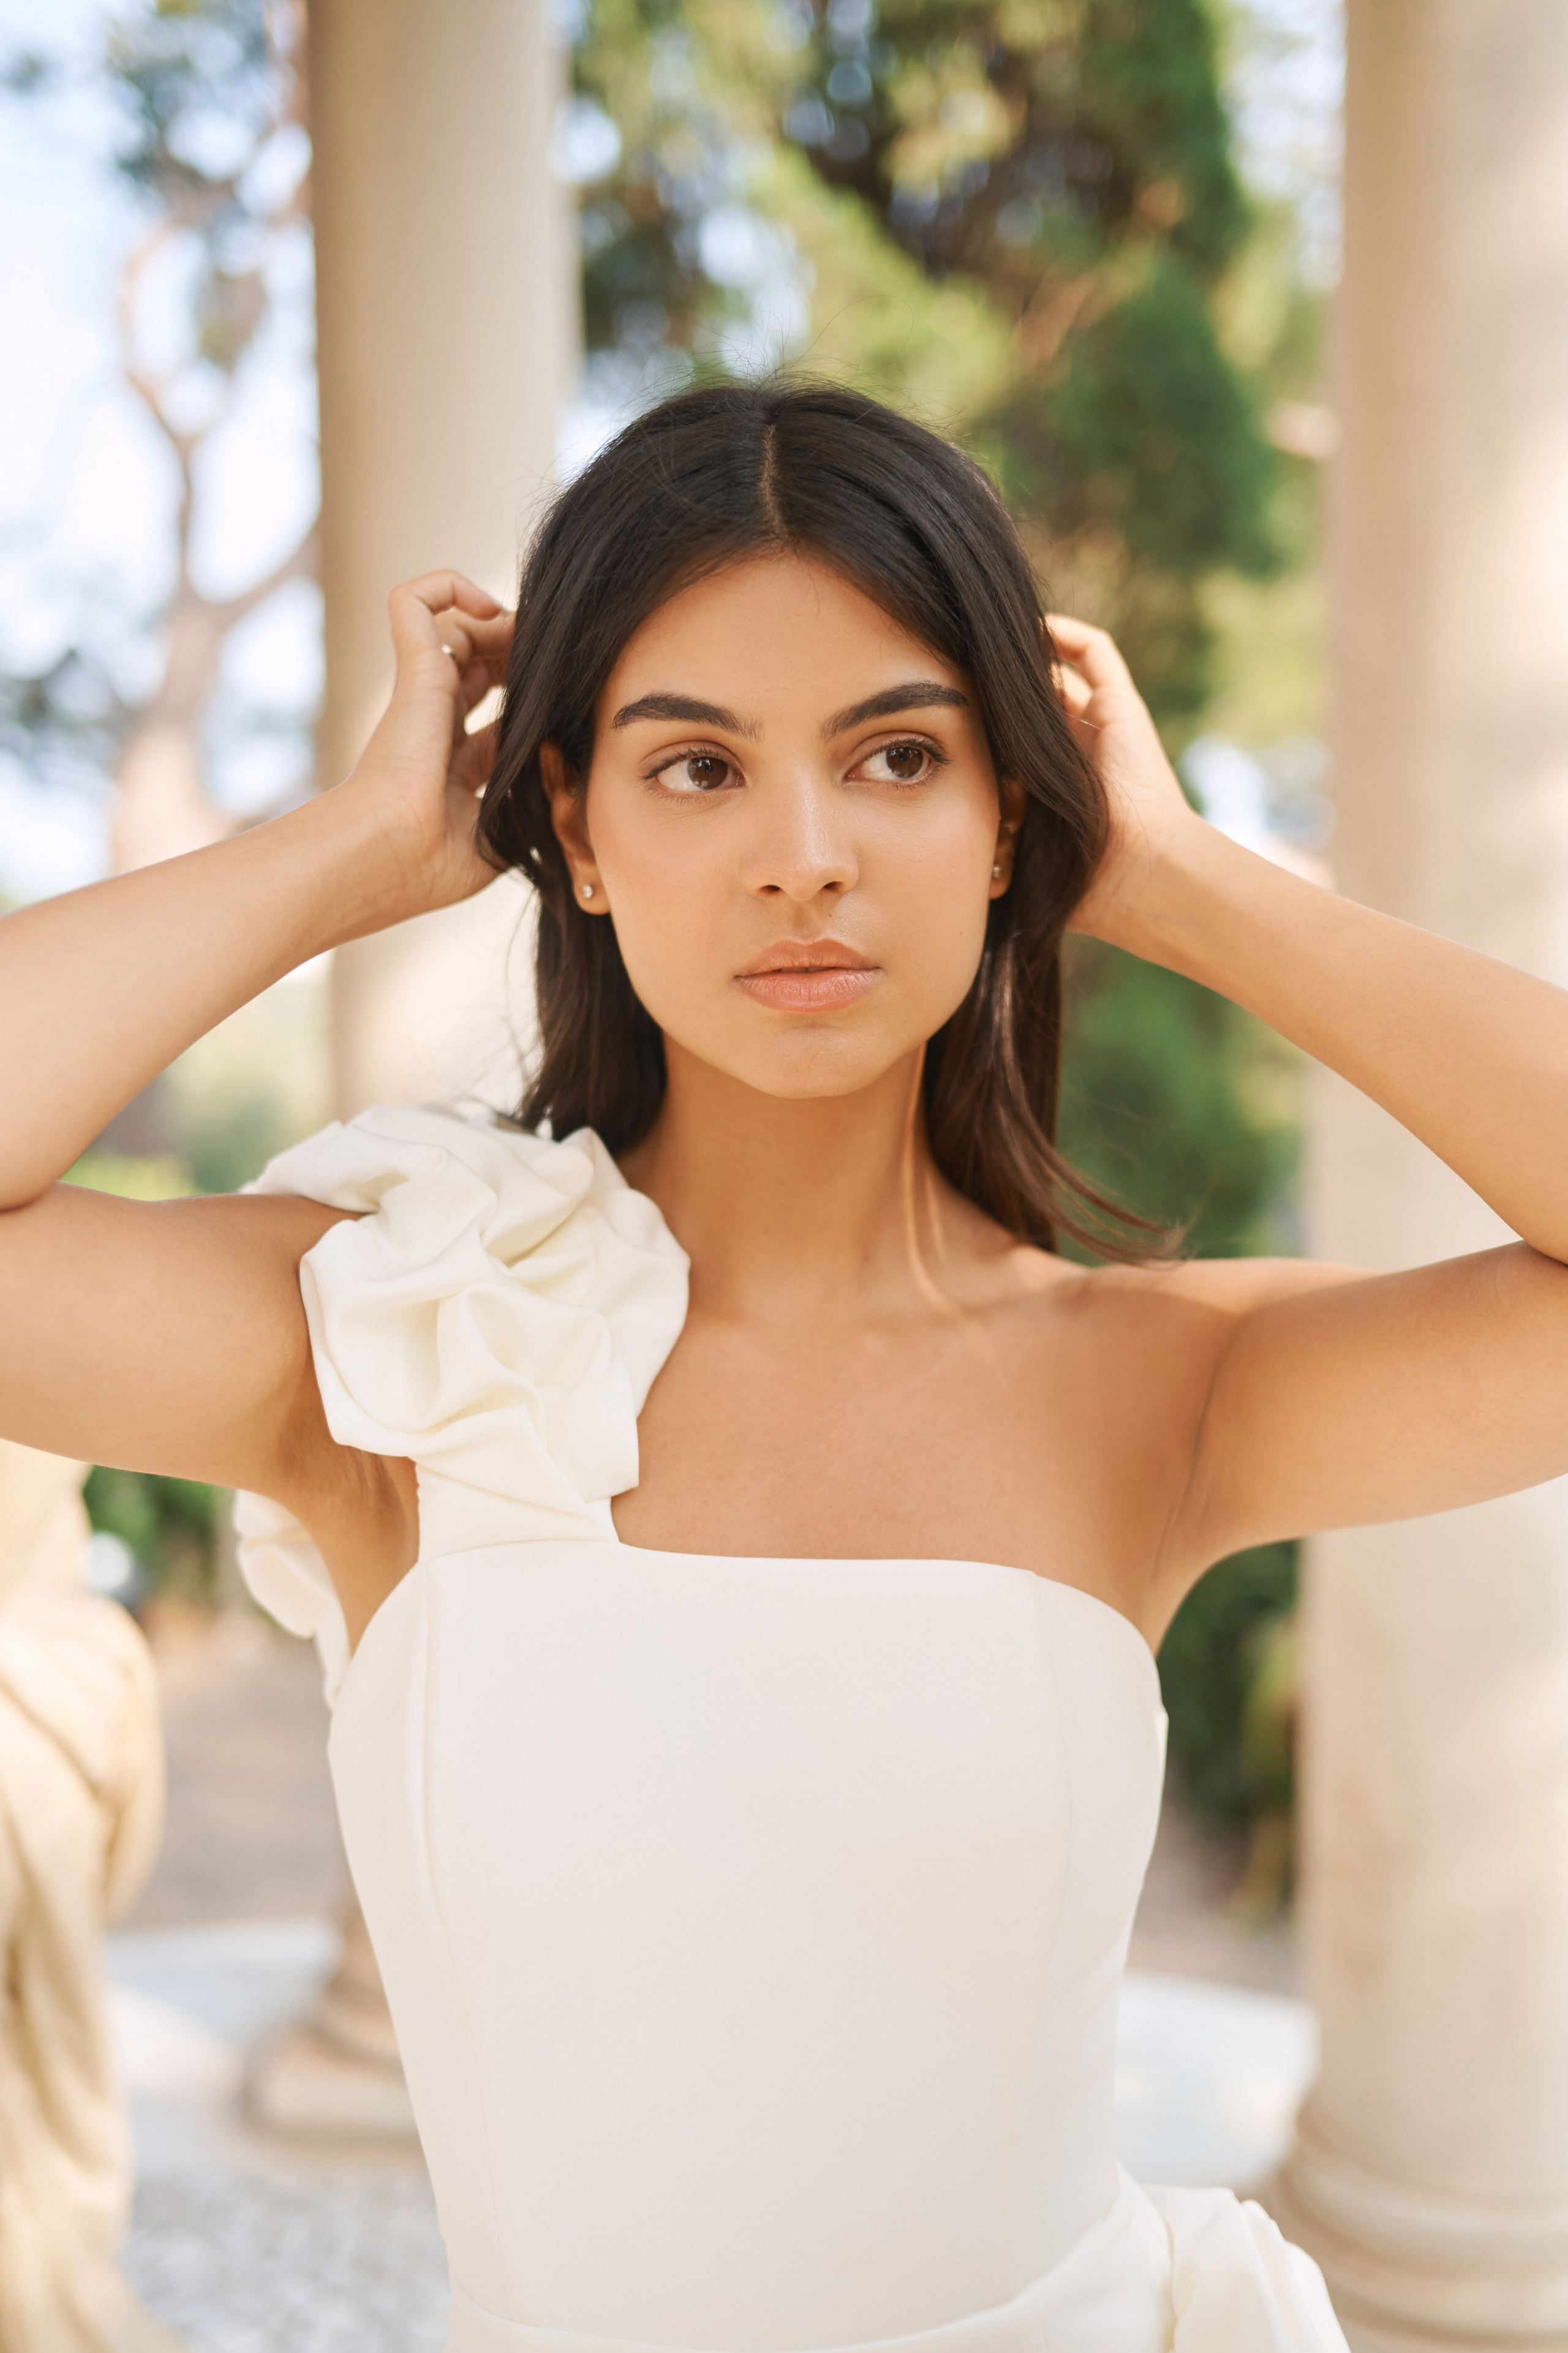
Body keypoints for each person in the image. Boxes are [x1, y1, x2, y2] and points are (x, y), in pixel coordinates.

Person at [4, 380, 1566, 2350]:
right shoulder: (397, 1342)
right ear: (567, 824)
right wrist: (342, 852)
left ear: (1011, 815)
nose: (805, 856)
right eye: (695, 769)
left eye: (898, 756)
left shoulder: (1157, 1387)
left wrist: (1183, 881)